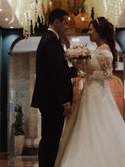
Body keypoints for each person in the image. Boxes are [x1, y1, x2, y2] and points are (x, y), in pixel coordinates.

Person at [55, 17, 125, 167]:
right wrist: (79, 64)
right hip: (90, 90)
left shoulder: (105, 50)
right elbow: (90, 70)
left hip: (98, 94)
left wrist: (88, 71)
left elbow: (108, 74)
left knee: (98, 126)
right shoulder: (96, 49)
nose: (89, 32)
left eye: (91, 30)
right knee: (85, 127)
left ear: (100, 32)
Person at [31, 9, 77, 167]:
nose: (67, 27)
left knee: (50, 139)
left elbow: (59, 70)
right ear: (56, 22)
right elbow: (56, 73)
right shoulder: (51, 41)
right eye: (65, 23)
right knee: (51, 140)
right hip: (53, 101)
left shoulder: (51, 39)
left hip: (50, 100)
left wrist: (77, 70)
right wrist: (65, 101)